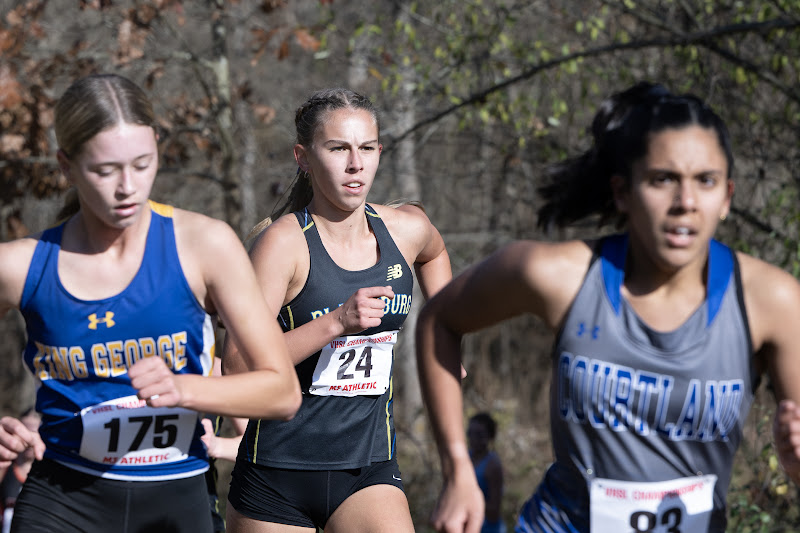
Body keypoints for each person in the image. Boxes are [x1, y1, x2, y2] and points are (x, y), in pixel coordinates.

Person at [415, 81, 800, 533]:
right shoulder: (557, 275)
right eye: (663, 179)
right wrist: (458, 468)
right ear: (623, 192)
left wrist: (795, 468)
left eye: (706, 181)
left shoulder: (772, 300)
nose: (686, 203)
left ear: (727, 197)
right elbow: (439, 319)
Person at [0, 73, 301, 533]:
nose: (127, 188)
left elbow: (282, 392)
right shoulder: (21, 265)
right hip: (60, 503)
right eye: (105, 171)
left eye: (142, 164)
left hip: (174, 501)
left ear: (158, 147)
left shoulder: (205, 245)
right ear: (66, 165)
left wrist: (185, 389)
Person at [221, 87, 451, 533]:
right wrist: (335, 323)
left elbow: (435, 252)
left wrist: (446, 334)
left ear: (379, 151)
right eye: (338, 148)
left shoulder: (405, 230)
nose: (355, 164)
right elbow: (237, 364)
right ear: (303, 157)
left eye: (366, 148)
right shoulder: (283, 244)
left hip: (368, 467)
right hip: (277, 472)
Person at [0, 409, 38, 533]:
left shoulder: (51, 476)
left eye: (34, 431)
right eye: (25, 431)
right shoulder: (4, 467)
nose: (29, 439)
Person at [467, 413, 505, 533]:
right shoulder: (465, 457)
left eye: (479, 434)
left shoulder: (493, 465)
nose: (474, 439)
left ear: (490, 436)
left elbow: (494, 510)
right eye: (470, 433)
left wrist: (468, 501)